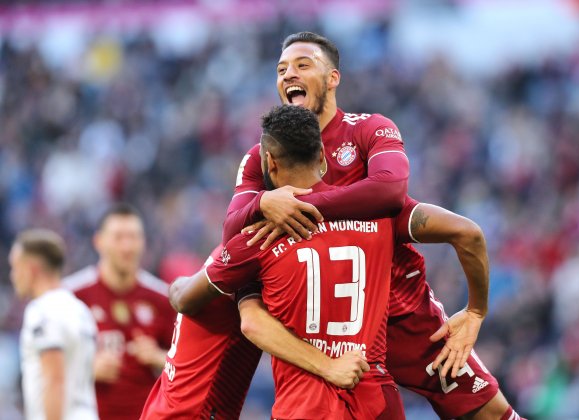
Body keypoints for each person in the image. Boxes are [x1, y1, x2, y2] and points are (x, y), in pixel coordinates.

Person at [226, 32, 522, 419]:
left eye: (302, 65)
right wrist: (264, 200)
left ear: (333, 78)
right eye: (281, 69)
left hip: (402, 314)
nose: (288, 75)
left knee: (491, 414)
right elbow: (232, 231)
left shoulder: (367, 130)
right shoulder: (264, 155)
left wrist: (476, 311)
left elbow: (390, 192)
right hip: (320, 329)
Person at [169, 104, 412, 419]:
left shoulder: (260, 238)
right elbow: (465, 231)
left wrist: (176, 286)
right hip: (377, 401)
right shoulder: (382, 217)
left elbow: (188, 301)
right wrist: (475, 311)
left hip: (305, 406)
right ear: (323, 157)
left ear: (269, 162)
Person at [64, 203, 174, 420]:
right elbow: (45, 363)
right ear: (99, 242)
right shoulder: (71, 295)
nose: (127, 246)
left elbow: (186, 365)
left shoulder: (163, 298)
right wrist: (85, 368)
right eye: (118, 237)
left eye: (133, 237)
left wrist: (158, 357)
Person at [9, 229, 98, 420]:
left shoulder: (42, 311)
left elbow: (54, 381)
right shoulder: (80, 309)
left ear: (31, 269)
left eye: (15, 267)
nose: (13, 276)